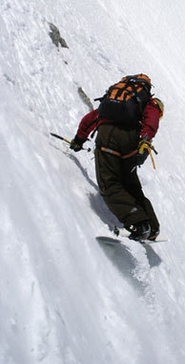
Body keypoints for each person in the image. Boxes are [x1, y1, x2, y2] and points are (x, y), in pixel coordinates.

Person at [70, 74, 164, 241]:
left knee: (109, 182)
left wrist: (79, 140)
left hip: (107, 136)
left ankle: (138, 223)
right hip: (130, 141)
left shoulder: (119, 97)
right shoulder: (147, 102)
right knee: (130, 183)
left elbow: (91, 118)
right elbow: (151, 122)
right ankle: (151, 227)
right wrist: (144, 142)